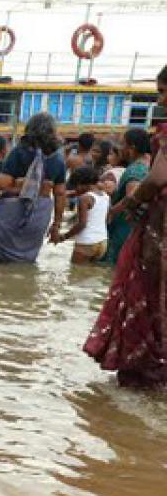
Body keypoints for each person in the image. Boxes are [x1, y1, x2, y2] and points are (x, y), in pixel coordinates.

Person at [84, 65, 167, 389]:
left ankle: (145, 368)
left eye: (162, 92)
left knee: (146, 293)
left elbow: (158, 178)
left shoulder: (156, 145)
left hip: (158, 229)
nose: (160, 100)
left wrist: (126, 207)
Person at [0, 112, 66, 263]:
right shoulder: (58, 159)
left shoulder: (20, 152)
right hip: (39, 215)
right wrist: (56, 225)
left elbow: (2, 183)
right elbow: (60, 194)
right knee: (25, 261)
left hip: (12, 212)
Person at [104, 127, 154, 265]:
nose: (121, 149)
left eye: (123, 144)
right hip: (140, 226)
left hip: (124, 228)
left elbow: (131, 196)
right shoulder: (150, 164)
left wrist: (112, 211)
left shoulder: (136, 169)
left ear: (131, 147)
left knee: (114, 267)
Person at [57, 166, 110, 263]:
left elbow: (82, 224)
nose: (76, 189)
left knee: (75, 275)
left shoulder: (84, 199)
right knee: (88, 275)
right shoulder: (105, 196)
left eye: (76, 185)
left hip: (86, 243)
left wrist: (64, 237)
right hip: (102, 242)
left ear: (83, 183)